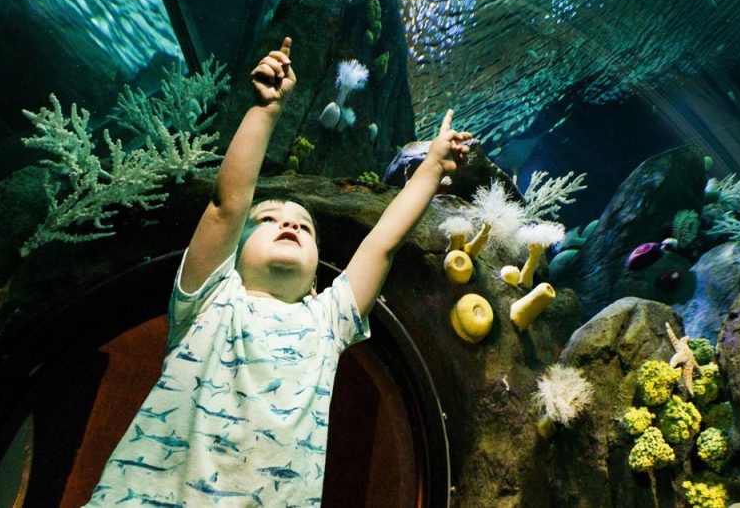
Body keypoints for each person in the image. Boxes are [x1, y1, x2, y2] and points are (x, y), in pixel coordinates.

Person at [84, 37, 472, 507]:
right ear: (234, 254)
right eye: (267, 220)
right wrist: (266, 111)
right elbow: (227, 206)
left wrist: (431, 169)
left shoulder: (327, 322)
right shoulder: (209, 298)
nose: (288, 223)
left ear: (315, 283)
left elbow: (383, 242)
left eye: (303, 227)